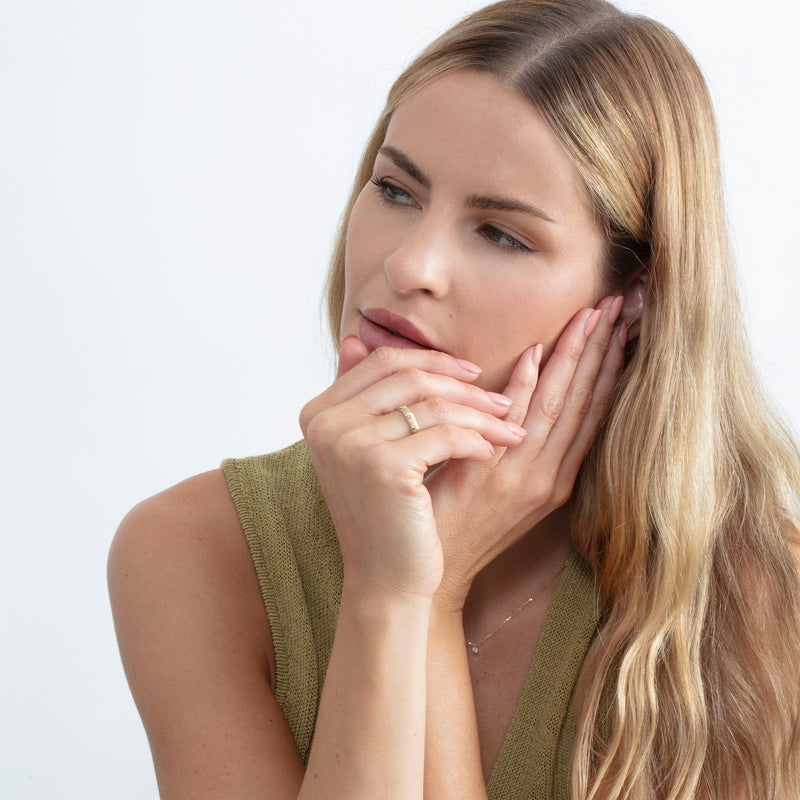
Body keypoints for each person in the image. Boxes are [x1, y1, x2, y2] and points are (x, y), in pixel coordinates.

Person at [107, 0, 800, 797]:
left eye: (501, 234)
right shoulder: (192, 551)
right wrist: (390, 595)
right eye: (397, 190)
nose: (412, 265)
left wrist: (431, 598)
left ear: (632, 295)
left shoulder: (748, 595)